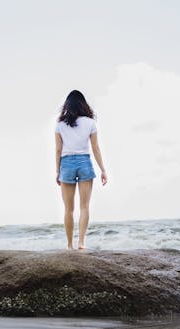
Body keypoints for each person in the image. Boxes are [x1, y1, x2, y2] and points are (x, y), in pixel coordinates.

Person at [55, 90, 107, 250]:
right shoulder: (90, 123)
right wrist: (103, 170)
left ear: (67, 105)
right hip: (84, 162)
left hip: (67, 163)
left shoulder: (60, 125)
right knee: (84, 206)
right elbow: (96, 148)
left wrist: (57, 172)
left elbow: (58, 150)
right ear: (83, 104)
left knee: (68, 209)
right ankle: (81, 242)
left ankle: (69, 244)